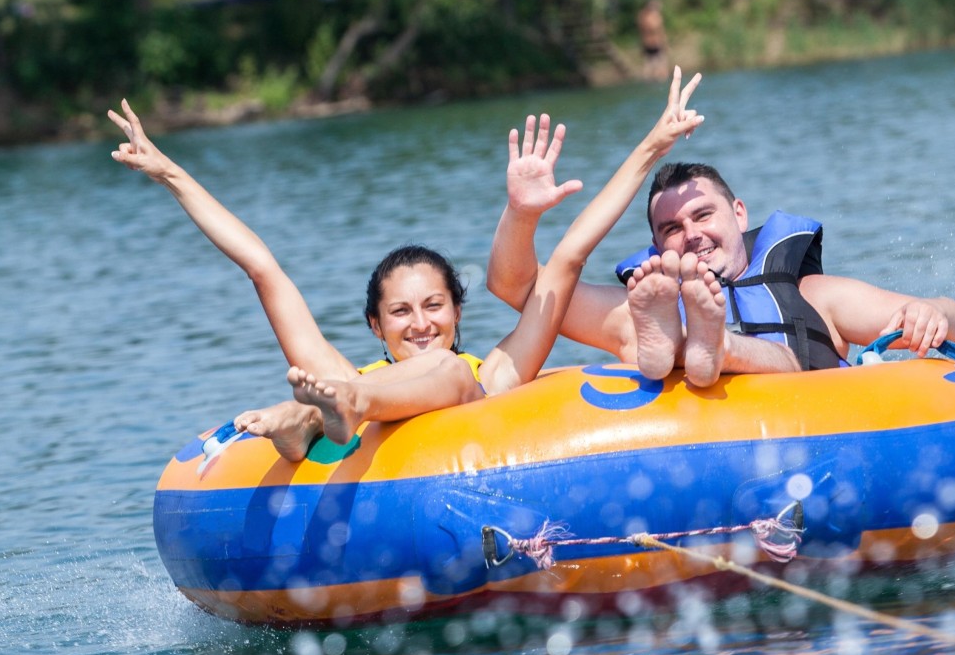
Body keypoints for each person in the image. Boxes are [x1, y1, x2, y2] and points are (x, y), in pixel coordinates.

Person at [106, 75, 702, 459]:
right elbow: (263, 267)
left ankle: (310, 420)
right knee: (359, 387)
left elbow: (569, 255)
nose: (419, 324)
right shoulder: (339, 374)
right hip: (343, 400)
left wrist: (650, 147)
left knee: (447, 373)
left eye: (433, 305)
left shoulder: (496, 373)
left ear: (457, 311)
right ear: (376, 326)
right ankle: (305, 420)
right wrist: (172, 174)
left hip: (350, 402)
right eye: (400, 311)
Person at [487, 100, 955, 388]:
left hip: (817, 432)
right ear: (656, 248)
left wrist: (932, 312)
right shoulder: (642, 302)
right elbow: (521, 291)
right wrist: (521, 215)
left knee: (755, 354)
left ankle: (712, 346)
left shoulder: (814, 295)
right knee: (646, 325)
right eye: (672, 229)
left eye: (703, 214)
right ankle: (685, 346)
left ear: (739, 214)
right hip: (703, 458)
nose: (692, 233)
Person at [636, 0, 668, 82]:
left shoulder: (642, 16)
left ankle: (649, 81)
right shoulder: (653, 17)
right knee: (659, 62)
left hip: (647, 43)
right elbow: (656, 28)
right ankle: (659, 81)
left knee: (649, 64)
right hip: (655, 42)